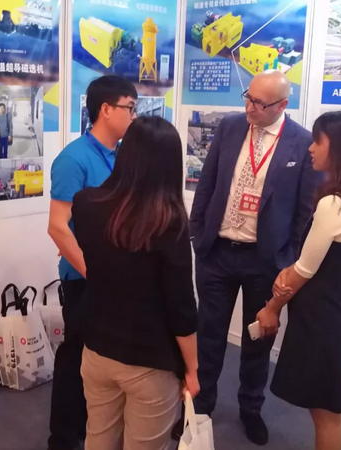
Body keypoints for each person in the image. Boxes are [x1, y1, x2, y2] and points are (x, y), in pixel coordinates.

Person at [186, 70, 323, 445]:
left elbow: (305, 210)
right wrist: (198, 232)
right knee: (209, 335)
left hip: (264, 260)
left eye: (259, 104)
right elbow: (207, 183)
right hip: (216, 252)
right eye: (248, 98)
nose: (250, 107)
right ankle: (201, 407)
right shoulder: (230, 127)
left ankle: (250, 408)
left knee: (257, 339)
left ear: (282, 105)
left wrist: (288, 258)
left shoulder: (302, 143)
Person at [72, 116, 200, 450]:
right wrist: (193, 369)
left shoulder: (86, 204)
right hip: (150, 362)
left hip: (97, 349)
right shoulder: (169, 222)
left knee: (98, 439)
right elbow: (181, 308)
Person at [256, 110, 341, 450]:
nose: (310, 148)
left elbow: (302, 273)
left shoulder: (333, 205)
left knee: (326, 415)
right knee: (330, 410)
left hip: (318, 319)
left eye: (317, 141)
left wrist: (271, 307)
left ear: (337, 146)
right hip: (336, 310)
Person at [47, 75, 138, 450]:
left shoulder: (123, 157)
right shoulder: (74, 159)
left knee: (106, 360)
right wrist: (95, 273)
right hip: (85, 280)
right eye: (129, 108)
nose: (134, 116)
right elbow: (57, 227)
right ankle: (64, 437)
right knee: (76, 357)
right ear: (106, 109)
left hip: (117, 277)